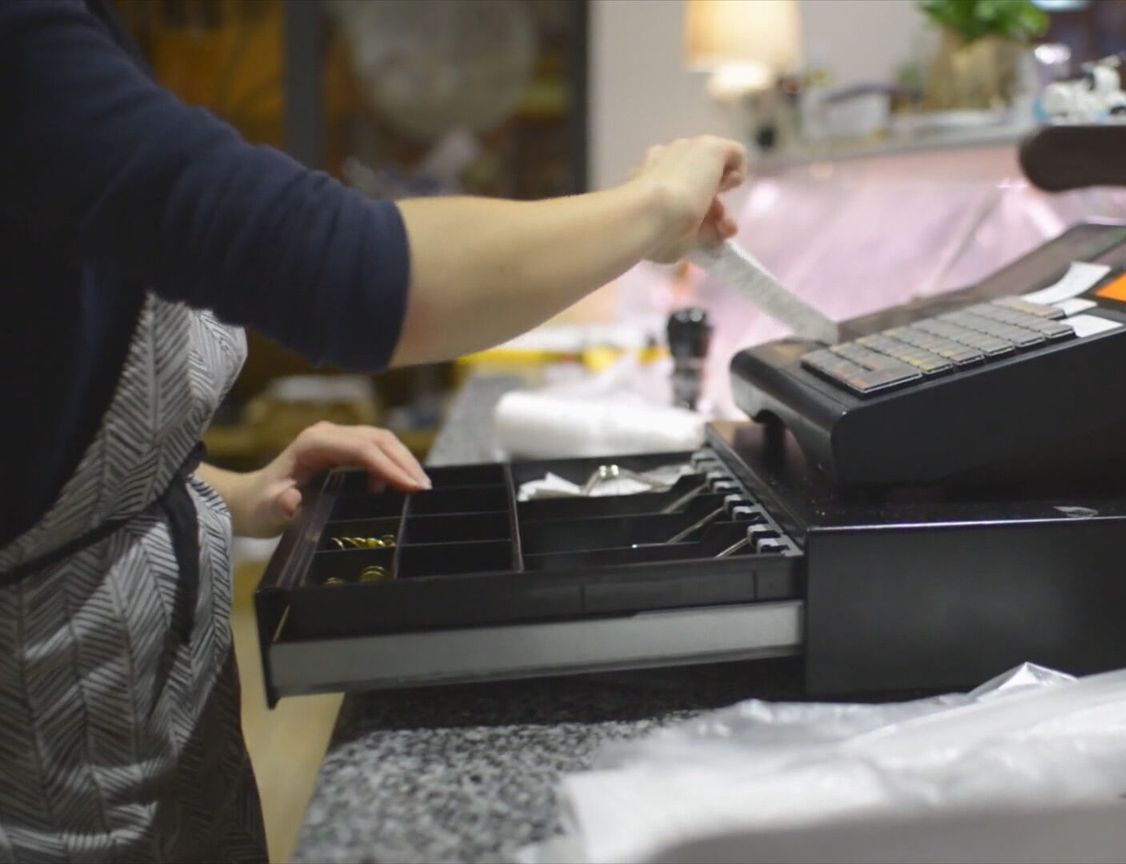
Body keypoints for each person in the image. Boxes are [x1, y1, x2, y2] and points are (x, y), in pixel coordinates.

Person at [0, 1, 745, 860]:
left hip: (153, 699)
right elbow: (352, 271)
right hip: (47, 729)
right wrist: (655, 204)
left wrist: (227, 490)